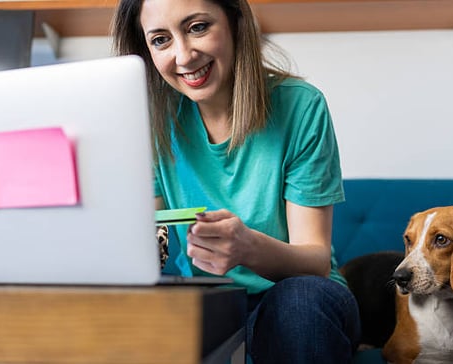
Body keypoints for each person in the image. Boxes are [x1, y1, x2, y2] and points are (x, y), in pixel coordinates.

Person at [112, 0, 361, 362]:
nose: (183, 56)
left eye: (198, 27)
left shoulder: (300, 107)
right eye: (161, 40)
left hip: (300, 298)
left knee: (301, 301)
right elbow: (150, 242)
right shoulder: (148, 119)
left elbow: (316, 260)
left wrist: (248, 249)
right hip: (207, 302)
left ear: (236, 23)